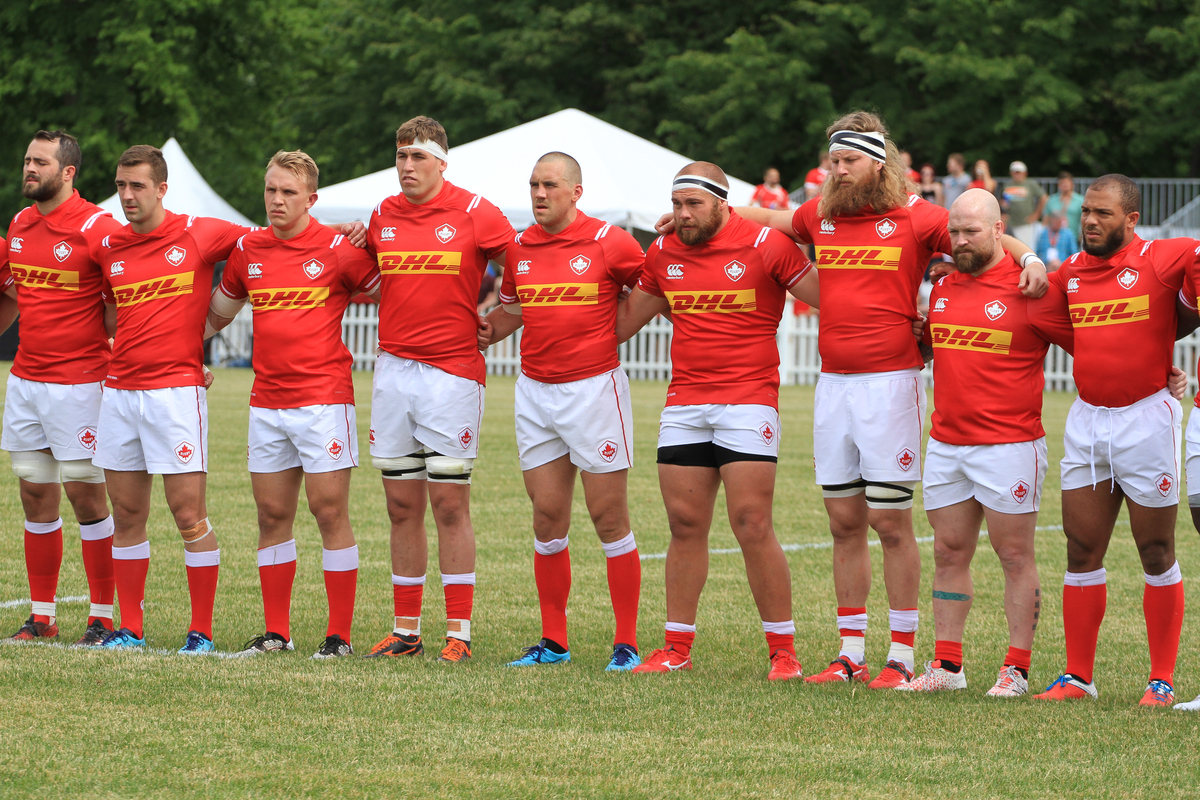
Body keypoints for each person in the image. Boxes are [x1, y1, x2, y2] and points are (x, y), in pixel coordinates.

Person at [730, 110, 1047, 689]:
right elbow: (771, 217)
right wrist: (708, 211)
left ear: (878, 164)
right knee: (843, 520)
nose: (838, 171)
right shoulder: (820, 215)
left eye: (849, 161)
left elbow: (983, 231)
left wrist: (1029, 258)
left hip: (891, 384)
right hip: (833, 386)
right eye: (833, 162)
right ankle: (851, 653)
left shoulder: (917, 216)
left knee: (890, 521)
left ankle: (901, 656)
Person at [619, 162, 820, 681]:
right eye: (677, 204)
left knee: (752, 524)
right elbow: (623, 323)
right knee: (684, 526)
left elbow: (832, 299)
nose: (683, 215)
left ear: (722, 203)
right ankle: (675, 648)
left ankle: (783, 652)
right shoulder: (662, 251)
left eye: (695, 205)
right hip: (685, 404)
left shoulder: (766, 245)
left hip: (749, 401)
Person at [206, 151, 382, 659]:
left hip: (323, 401)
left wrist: (370, 236)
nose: (277, 200)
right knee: (271, 515)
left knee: (329, 511)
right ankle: (276, 634)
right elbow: (216, 315)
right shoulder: (248, 250)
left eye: (288, 192)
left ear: (311, 198)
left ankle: (339, 637)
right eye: (270, 191)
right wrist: (174, 354)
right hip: (266, 402)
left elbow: (395, 293)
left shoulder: (337, 248)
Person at [902, 189, 1075, 696]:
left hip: (1009, 445)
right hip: (948, 444)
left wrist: (1161, 372)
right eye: (954, 231)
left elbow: (1091, 342)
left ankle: (1016, 669)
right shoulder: (944, 287)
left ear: (999, 230)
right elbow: (935, 347)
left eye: (970, 231)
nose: (959, 240)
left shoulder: (1031, 288)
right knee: (950, 551)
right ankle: (948, 667)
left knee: (1014, 556)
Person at [479, 152, 645, 671]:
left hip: (594, 391)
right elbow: (512, 311)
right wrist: (478, 330)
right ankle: (554, 641)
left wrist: (612, 334)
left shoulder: (610, 242)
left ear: (576, 191)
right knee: (547, 518)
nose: (539, 194)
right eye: (533, 185)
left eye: (549, 184)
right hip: (535, 393)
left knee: (608, 517)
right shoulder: (520, 248)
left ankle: (626, 642)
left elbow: (656, 289)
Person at [362, 116, 514, 663]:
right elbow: (363, 274)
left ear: (442, 162)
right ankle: (406, 631)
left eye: (417, 157)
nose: (406, 167)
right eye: (400, 156)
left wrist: (501, 318)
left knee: (449, 502)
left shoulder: (476, 212)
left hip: (451, 375)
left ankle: (460, 632)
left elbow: (522, 264)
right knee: (401, 505)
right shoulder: (382, 214)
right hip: (394, 372)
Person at [1034, 174, 1190, 707]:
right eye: (1086, 213)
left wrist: (1166, 340)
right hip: (1087, 422)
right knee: (1080, 549)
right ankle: (1078, 677)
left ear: (1131, 220)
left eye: (1102, 213)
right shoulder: (1070, 275)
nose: (1091, 222)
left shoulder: (1164, 258)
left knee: (1155, 550)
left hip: (1147, 420)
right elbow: (1051, 320)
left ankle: (1161, 680)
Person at [3, 130, 122, 646]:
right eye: (28, 159)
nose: (30, 168)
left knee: (86, 498)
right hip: (26, 380)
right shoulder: (20, 223)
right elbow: (12, 296)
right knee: (34, 493)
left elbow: (125, 299)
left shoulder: (99, 226)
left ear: (68, 172)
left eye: (40, 162)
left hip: (80, 383)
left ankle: (101, 617)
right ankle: (42, 616)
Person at [999, 161, 1046, 249]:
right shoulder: (1007, 185)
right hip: (1009, 223)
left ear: (1025, 173)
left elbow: (1043, 197)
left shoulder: (1030, 184)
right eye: (1014, 172)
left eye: (1019, 172)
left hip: (1024, 222)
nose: (1017, 175)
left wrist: (1036, 214)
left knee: (1025, 248)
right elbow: (1003, 201)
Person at [1044, 171, 1084, 237]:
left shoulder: (1080, 200)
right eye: (1062, 183)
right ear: (1058, 185)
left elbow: (1084, 219)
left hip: (1074, 237)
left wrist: (1082, 235)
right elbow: (1046, 219)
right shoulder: (1051, 200)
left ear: (1072, 184)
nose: (1064, 185)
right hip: (1054, 238)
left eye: (1067, 182)